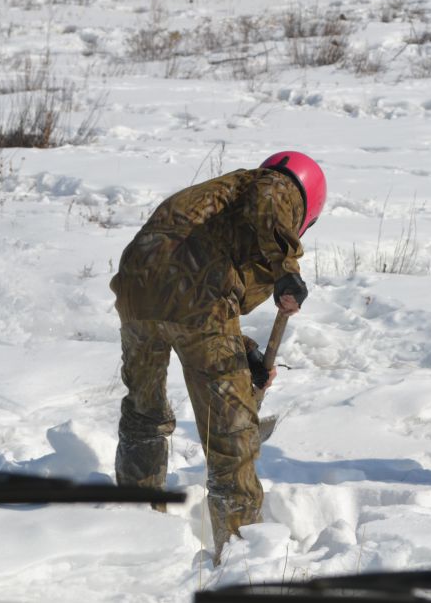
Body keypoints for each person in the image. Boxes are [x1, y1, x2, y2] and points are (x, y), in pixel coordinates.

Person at [109, 150, 326, 563]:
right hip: (198, 298)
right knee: (230, 438)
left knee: (143, 415)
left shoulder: (218, 200)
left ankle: (134, 534)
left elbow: (182, 288)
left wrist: (244, 355)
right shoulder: (278, 186)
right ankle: (241, 558)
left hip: (137, 288)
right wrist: (287, 269)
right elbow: (269, 197)